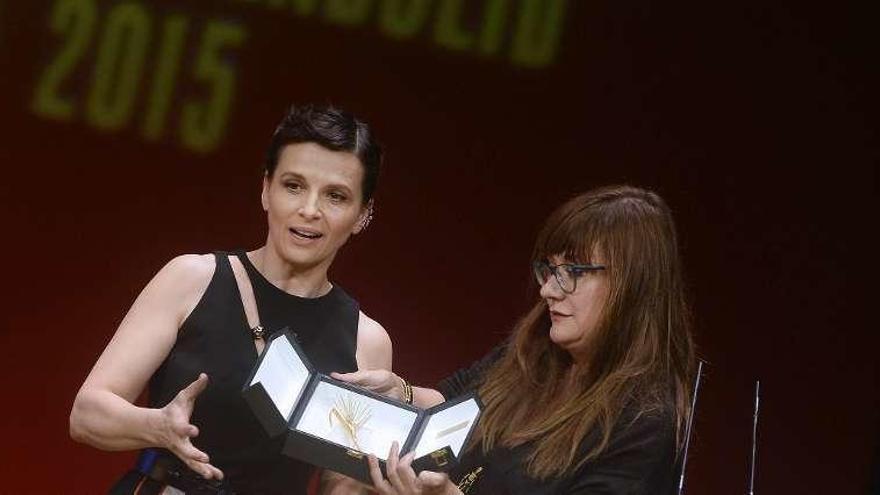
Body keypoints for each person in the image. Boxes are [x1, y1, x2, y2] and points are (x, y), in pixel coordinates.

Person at [69, 104, 392, 494]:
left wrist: (378, 485)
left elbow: (340, 485)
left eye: (335, 196)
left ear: (363, 215)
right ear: (265, 190)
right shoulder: (193, 278)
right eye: (293, 186)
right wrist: (157, 426)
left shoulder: (366, 341)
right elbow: (86, 414)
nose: (310, 210)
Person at [333, 185, 697, 494]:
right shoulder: (539, 345)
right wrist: (401, 393)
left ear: (632, 286)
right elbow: (456, 398)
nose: (549, 290)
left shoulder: (646, 423)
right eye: (550, 269)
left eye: (572, 271)